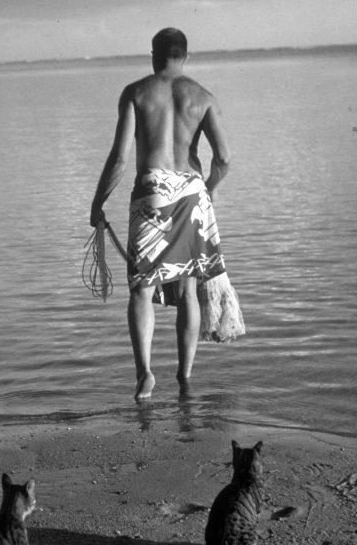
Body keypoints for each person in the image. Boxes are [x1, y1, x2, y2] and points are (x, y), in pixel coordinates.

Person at [90, 27, 244, 400]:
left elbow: (120, 158)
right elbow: (223, 159)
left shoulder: (136, 93)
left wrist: (97, 203)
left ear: (153, 55)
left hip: (152, 193)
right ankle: (185, 376)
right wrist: (211, 189)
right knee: (188, 287)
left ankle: (144, 374)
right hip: (192, 194)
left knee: (141, 289)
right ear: (185, 56)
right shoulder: (203, 97)